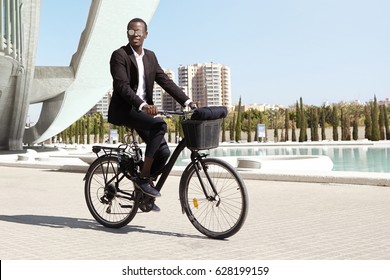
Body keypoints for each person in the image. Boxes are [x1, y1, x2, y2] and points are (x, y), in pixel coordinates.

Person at [108, 18, 195, 208]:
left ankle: (143, 189)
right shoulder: (119, 55)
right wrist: (142, 105)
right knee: (159, 125)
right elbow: (122, 86)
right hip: (125, 110)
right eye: (131, 32)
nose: (135, 35)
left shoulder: (151, 57)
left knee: (163, 152)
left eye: (139, 32)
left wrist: (188, 102)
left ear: (146, 34)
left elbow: (165, 81)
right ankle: (144, 179)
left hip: (143, 110)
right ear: (127, 34)